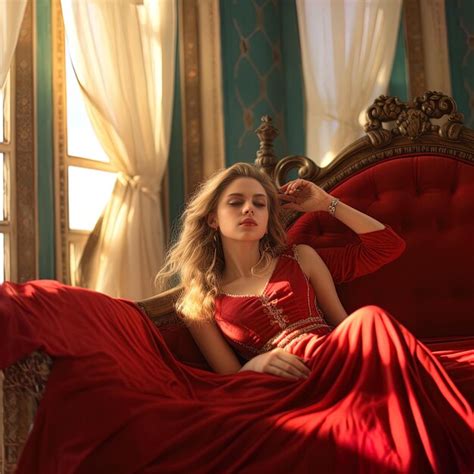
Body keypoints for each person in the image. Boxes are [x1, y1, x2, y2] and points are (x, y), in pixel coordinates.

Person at [155, 162, 473, 472]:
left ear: (269, 218)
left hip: (342, 355)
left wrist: (326, 204)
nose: (248, 210)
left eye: (260, 204)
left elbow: (385, 249)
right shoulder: (197, 302)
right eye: (235, 202)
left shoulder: (300, 257)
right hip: (290, 384)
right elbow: (228, 377)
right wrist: (255, 365)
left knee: (369, 319)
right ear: (212, 219)